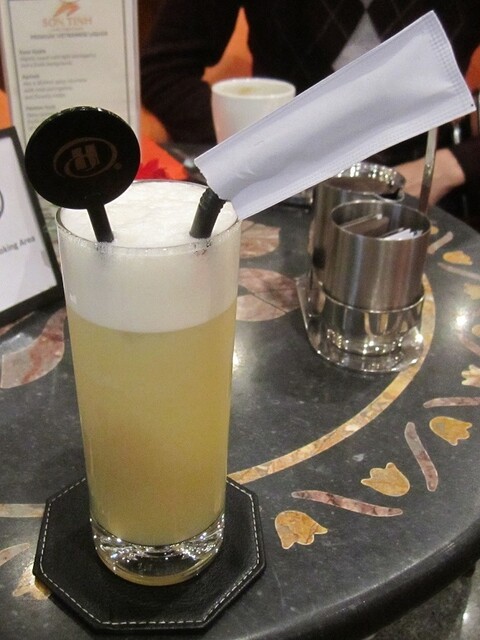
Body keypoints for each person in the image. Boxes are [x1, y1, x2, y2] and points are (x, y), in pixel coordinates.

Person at [141, 0, 480, 215]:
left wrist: (453, 165)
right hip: (273, 193)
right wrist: (253, 138)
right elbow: (162, 70)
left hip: (421, 191)